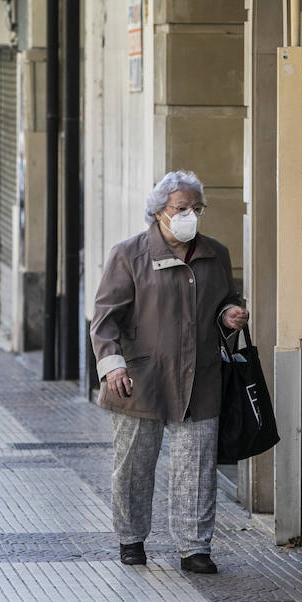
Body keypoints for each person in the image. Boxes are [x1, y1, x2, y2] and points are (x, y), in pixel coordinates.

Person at [89, 171, 249, 575]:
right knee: (134, 465)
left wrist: (230, 312)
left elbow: (224, 300)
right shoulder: (129, 254)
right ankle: (131, 538)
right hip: (139, 379)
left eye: (197, 208)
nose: (190, 215)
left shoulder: (216, 253)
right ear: (160, 211)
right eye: (182, 208)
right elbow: (104, 319)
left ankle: (194, 547)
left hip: (201, 376)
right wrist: (112, 366)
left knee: (196, 467)